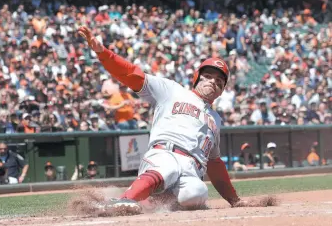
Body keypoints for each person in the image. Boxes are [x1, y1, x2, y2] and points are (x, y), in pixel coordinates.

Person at [77, 26, 246, 215]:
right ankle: (124, 200)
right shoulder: (171, 90)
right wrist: (103, 53)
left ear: (222, 90)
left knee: (196, 193)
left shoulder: (215, 120)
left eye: (219, 81)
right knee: (169, 168)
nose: (212, 82)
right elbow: (132, 75)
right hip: (165, 153)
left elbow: (214, 164)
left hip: (191, 169)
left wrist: (235, 201)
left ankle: (150, 203)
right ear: (197, 78)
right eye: (208, 76)